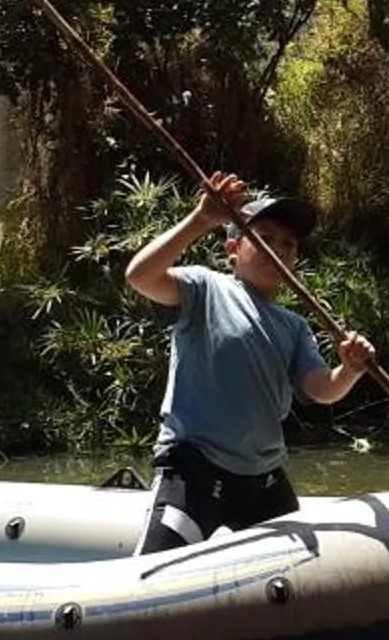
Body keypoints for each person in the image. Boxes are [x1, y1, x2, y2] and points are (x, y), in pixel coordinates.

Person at [123, 172, 374, 551]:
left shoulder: (294, 327)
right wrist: (202, 219)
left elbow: (322, 388)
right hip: (195, 468)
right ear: (234, 249)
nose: (279, 249)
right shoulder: (204, 288)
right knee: (153, 574)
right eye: (265, 239)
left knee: (303, 587)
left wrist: (351, 369)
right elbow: (140, 276)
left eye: (288, 244)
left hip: (263, 478)